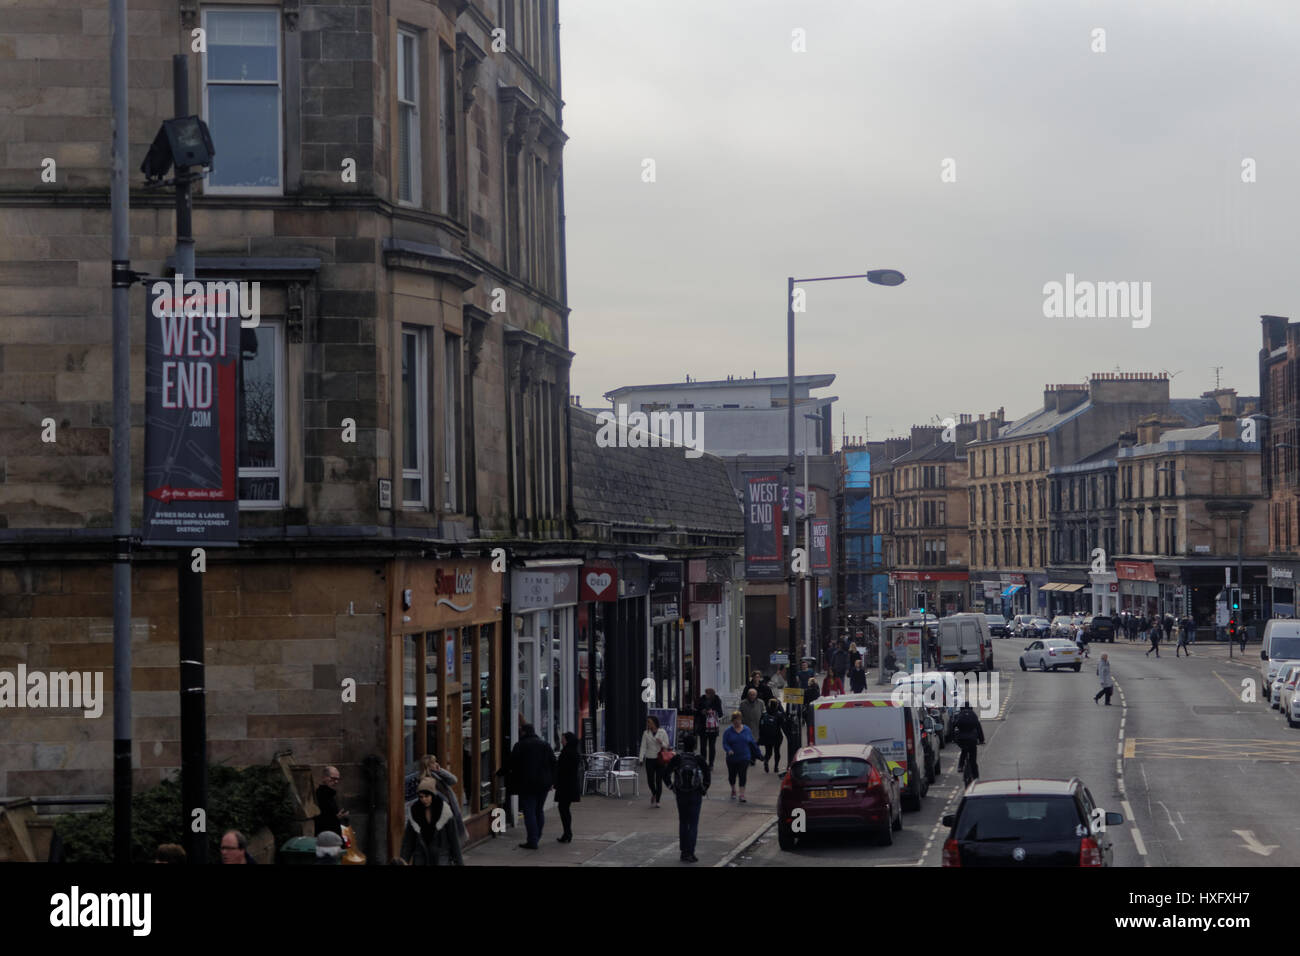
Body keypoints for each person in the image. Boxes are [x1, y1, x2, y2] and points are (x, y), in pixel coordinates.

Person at [503, 722, 556, 848]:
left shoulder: (520, 745)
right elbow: (553, 763)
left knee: (529, 812)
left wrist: (500, 772)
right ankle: (537, 836)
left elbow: (511, 763)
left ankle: (532, 840)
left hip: (527, 784)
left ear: (524, 732)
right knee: (539, 811)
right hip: (543, 784)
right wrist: (552, 781)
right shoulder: (545, 745)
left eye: (521, 731)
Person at [663, 732, 710, 863]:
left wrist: (672, 787)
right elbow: (707, 775)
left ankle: (684, 851)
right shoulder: (698, 758)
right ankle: (691, 852)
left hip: (681, 793)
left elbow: (665, 775)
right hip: (695, 793)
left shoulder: (677, 758)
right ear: (694, 745)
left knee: (683, 822)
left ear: (683, 745)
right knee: (693, 824)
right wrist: (704, 789)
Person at [404, 753, 469, 846]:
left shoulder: (437, 775)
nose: (436, 764)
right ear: (428, 765)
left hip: (450, 810)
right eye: (433, 763)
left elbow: (453, 780)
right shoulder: (424, 780)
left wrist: (440, 770)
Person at [400, 776, 464, 865]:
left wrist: (459, 862)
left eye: (427, 796)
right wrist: (403, 861)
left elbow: (454, 840)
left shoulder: (445, 811)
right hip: (421, 860)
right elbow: (408, 841)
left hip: (441, 860)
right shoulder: (414, 811)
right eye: (421, 797)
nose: (424, 799)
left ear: (433, 795)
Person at [722, 710, 760, 802]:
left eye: (738, 720)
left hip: (744, 757)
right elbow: (725, 743)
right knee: (732, 776)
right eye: (735, 720)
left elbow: (752, 743)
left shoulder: (747, 730)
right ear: (732, 721)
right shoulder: (728, 731)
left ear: (741, 720)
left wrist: (759, 754)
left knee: (742, 775)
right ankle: (733, 789)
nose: (737, 722)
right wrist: (729, 750)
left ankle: (742, 794)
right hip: (732, 758)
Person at [555, 731, 582, 843]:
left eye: (563, 739)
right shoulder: (574, 752)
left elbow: (562, 770)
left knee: (563, 809)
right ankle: (567, 833)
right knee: (565, 809)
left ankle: (567, 833)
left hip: (565, 786)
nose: (561, 741)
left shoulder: (566, 753)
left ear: (567, 740)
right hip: (570, 785)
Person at [638, 715, 671, 808]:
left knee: (658, 780)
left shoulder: (662, 732)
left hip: (660, 759)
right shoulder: (645, 733)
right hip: (649, 758)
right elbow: (643, 746)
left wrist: (661, 742)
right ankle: (654, 793)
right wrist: (641, 758)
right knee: (650, 780)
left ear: (654, 723)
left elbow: (667, 745)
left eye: (649, 722)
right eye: (647, 722)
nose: (648, 724)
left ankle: (658, 800)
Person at [953, 703, 984, 781]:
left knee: (964, 750)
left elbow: (953, 726)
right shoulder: (973, 715)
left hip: (961, 739)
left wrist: (953, 738)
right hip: (972, 740)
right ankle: (976, 778)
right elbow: (979, 728)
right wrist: (981, 740)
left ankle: (960, 766)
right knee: (973, 759)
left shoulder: (959, 715)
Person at [314, 765, 347, 837]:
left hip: (333, 837)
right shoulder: (320, 795)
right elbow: (319, 819)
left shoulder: (330, 794)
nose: (336, 782)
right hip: (325, 839)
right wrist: (336, 818)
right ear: (324, 777)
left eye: (338, 779)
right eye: (333, 778)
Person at [696, 688, 724, 769]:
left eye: (708, 694)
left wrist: (713, 711)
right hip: (703, 726)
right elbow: (698, 711)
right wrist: (702, 711)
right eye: (706, 693)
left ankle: (711, 763)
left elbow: (720, 713)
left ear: (712, 694)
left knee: (712, 746)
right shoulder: (702, 699)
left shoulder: (717, 699)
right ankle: (703, 762)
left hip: (713, 727)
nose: (707, 695)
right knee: (702, 746)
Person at [759, 698, 786, 773]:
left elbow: (760, 726)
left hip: (767, 737)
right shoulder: (779, 715)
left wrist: (761, 736)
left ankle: (766, 761)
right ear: (777, 705)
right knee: (777, 751)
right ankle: (776, 767)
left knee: (768, 752)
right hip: (777, 736)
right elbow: (783, 726)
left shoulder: (764, 714)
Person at [803, 676, 820, 744]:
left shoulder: (806, 691)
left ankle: (809, 742)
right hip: (816, 710)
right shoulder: (817, 691)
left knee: (809, 727)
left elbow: (804, 702)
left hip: (808, 710)